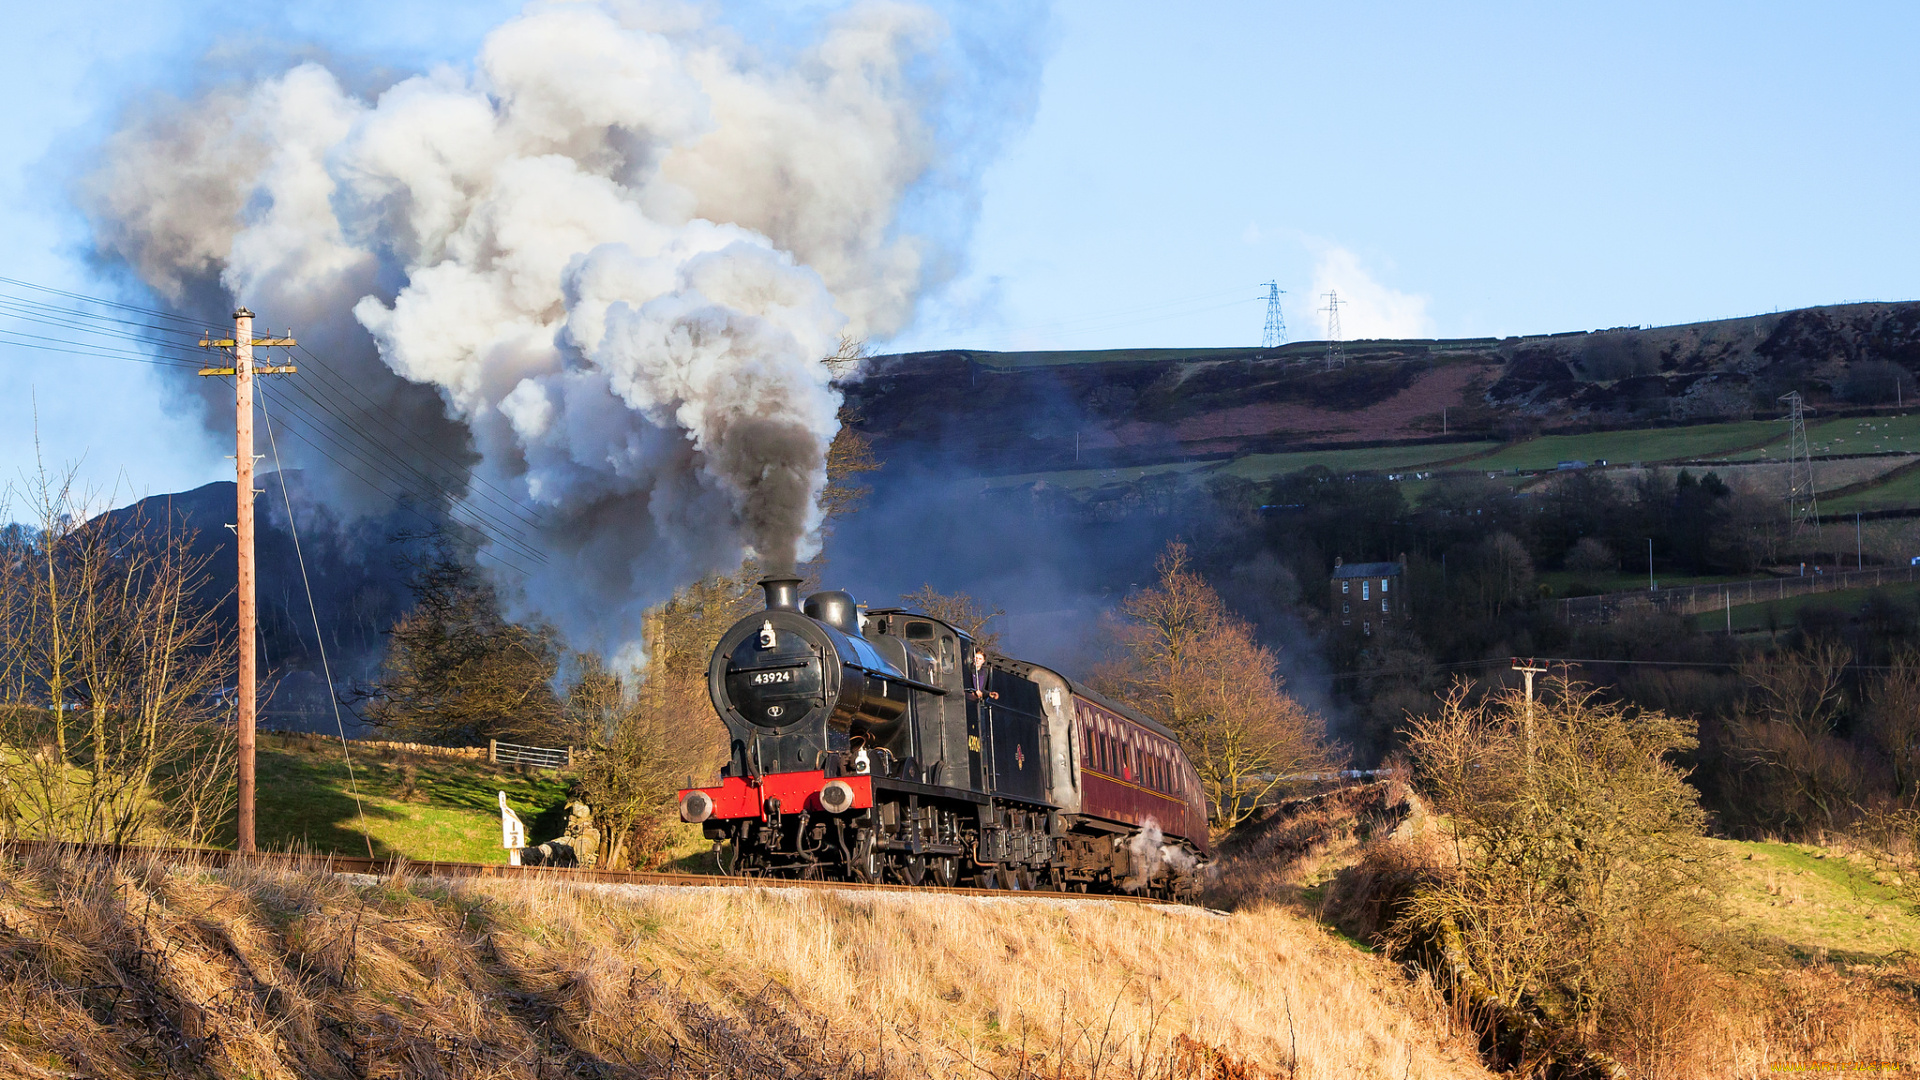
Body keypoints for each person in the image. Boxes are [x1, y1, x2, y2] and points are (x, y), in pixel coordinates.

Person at [518, 800, 601, 868]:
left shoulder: (591, 832)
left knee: (581, 848)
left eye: (575, 817)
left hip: (582, 840)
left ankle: (581, 869)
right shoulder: (570, 819)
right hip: (569, 839)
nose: (570, 819)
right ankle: (527, 857)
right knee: (546, 848)